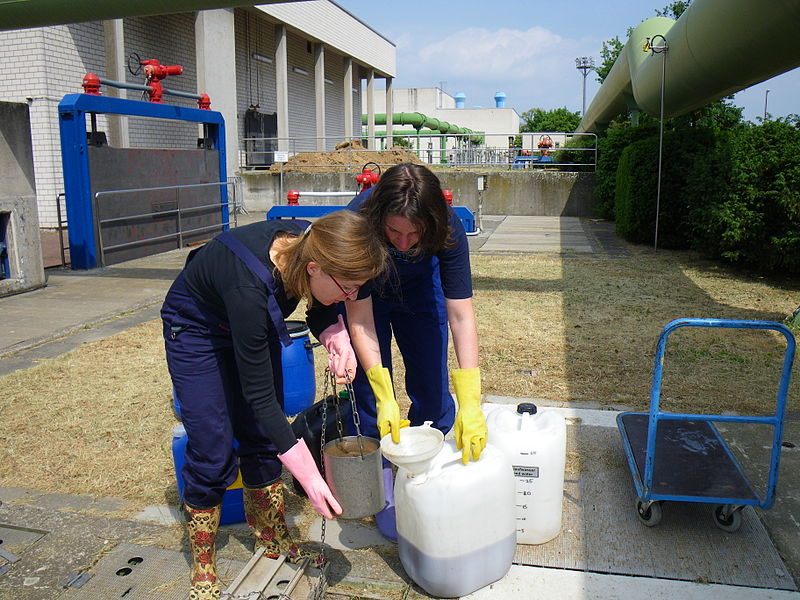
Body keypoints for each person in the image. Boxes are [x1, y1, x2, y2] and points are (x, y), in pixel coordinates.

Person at [161, 210, 387, 600]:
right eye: (348, 288)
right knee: (213, 448)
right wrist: (312, 480)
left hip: (251, 324)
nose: (352, 298)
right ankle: (203, 561)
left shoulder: (308, 247)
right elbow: (261, 398)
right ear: (315, 267)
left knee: (263, 440)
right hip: (197, 331)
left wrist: (337, 338)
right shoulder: (249, 286)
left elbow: (319, 304)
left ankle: (272, 537)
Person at [342, 162, 488, 541]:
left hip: (422, 293)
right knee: (370, 397)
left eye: (415, 233)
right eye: (393, 231)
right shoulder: (358, 221)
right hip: (370, 295)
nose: (403, 242)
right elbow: (359, 320)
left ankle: (428, 468)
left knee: (432, 385)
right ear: (378, 219)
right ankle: (383, 481)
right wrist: (383, 392)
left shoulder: (450, 226)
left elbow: (460, 314)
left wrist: (470, 401)